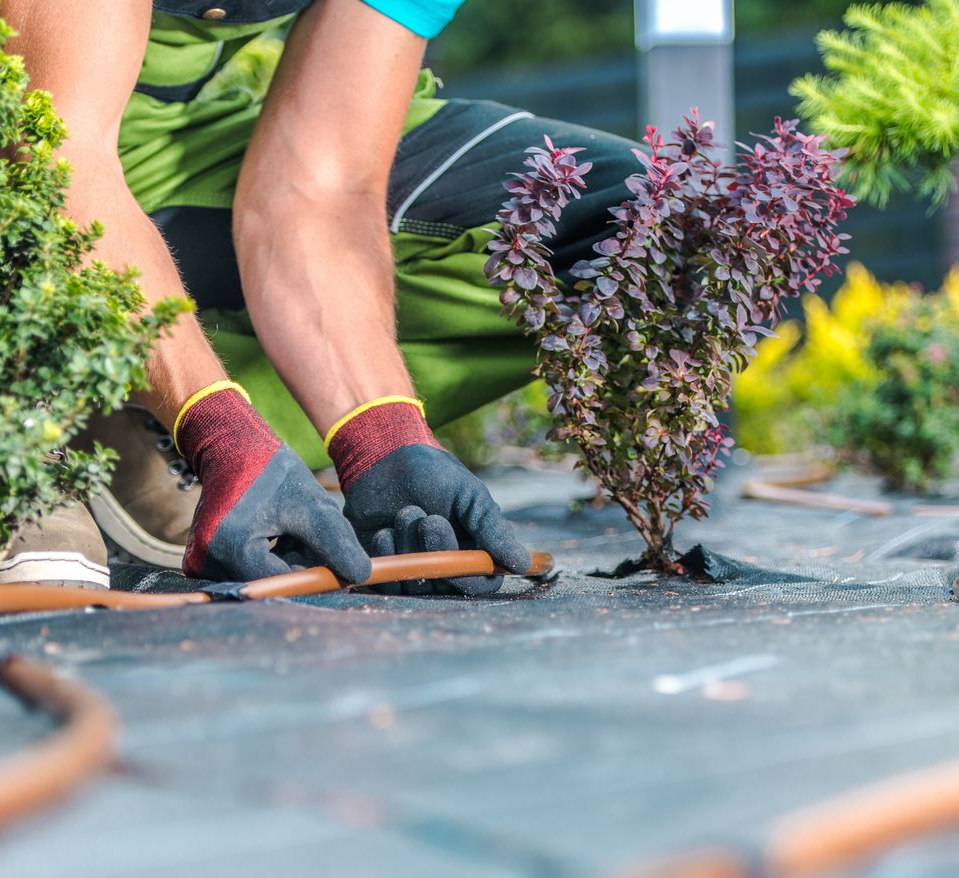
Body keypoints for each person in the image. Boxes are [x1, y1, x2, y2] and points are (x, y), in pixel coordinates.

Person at [0, 0, 638, 594]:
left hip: (168, 152)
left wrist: (382, 437)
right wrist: (217, 429)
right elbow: (55, 151)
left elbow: (318, 188)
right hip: (40, 126)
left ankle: (133, 409)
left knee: (657, 220)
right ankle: (31, 411)